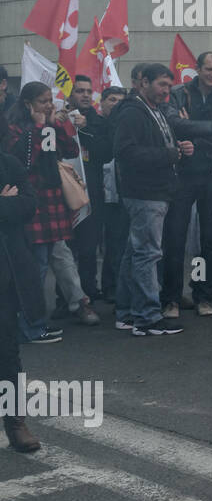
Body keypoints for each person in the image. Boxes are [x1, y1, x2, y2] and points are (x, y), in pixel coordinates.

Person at [2, 82, 91, 343]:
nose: (49, 105)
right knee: (36, 266)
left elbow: (70, 150)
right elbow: (24, 159)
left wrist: (56, 125)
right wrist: (41, 127)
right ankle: (30, 324)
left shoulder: (47, 125)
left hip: (52, 202)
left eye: (50, 100)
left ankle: (34, 321)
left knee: (47, 261)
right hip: (33, 203)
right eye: (43, 101)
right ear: (28, 104)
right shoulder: (15, 128)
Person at [160, 51, 212, 319]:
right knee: (175, 238)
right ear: (197, 68)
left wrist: (193, 135)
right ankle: (171, 296)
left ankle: (201, 293)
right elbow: (172, 123)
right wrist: (211, 128)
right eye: (209, 69)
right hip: (182, 175)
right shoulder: (178, 93)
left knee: (209, 241)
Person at [112, 64, 191, 336]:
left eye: (169, 85)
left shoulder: (153, 110)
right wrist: (169, 155)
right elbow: (126, 152)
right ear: (142, 83)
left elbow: (160, 145)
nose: (166, 90)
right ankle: (147, 316)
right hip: (145, 193)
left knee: (135, 253)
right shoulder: (133, 112)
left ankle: (125, 313)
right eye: (161, 84)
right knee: (147, 254)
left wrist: (180, 149)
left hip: (154, 191)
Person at [0, 149, 42, 452]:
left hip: (6, 273)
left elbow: (29, 204)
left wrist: (9, 205)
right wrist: (4, 203)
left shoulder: (8, 161)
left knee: (7, 351)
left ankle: (15, 421)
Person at [66, 75, 108, 304]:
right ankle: (66, 296)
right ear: (70, 94)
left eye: (88, 91)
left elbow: (105, 152)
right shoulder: (60, 117)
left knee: (88, 248)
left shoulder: (97, 121)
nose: (85, 95)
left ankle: (89, 290)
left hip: (91, 193)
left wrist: (86, 128)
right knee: (66, 250)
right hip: (64, 194)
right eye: (80, 90)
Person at [97, 85, 129, 302]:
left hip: (119, 194)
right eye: (112, 100)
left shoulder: (126, 126)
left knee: (117, 241)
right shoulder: (95, 125)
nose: (116, 104)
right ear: (102, 103)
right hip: (96, 192)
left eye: (120, 101)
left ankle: (114, 286)